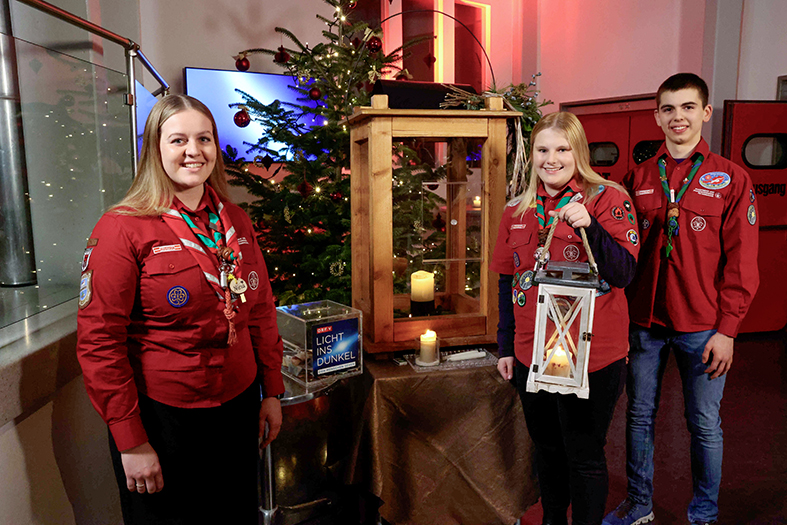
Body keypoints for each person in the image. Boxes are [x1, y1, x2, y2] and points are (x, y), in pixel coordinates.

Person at [77, 94, 284, 525]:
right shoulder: (122, 227)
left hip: (238, 406)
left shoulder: (235, 220)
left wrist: (272, 391)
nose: (194, 151)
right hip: (163, 418)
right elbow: (99, 342)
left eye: (204, 139)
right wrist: (131, 441)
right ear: (155, 149)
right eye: (178, 140)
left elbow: (261, 310)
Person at [603, 73, 759, 525]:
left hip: (704, 327)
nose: (678, 117)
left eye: (688, 107)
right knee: (638, 417)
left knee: (704, 424)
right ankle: (640, 504)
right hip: (645, 324)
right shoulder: (636, 178)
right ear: (657, 116)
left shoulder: (732, 179)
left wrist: (728, 330)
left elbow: (742, 262)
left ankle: (704, 514)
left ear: (705, 113)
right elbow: (623, 252)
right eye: (669, 109)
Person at [492, 111, 640, 525]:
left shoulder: (608, 199)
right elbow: (507, 282)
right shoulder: (517, 209)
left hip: (592, 357)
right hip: (532, 353)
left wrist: (591, 227)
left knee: (585, 455)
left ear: (579, 152)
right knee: (547, 450)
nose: (551, 159)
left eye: (562, 149)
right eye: (543, 150)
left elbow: (624, 273)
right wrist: (505, 346)